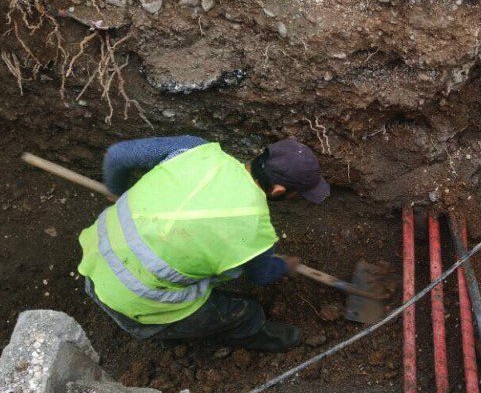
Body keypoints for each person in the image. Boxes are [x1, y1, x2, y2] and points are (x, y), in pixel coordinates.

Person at [78, 135, 331, 351]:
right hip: (135, 304)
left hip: (94, 257)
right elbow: (260, 277)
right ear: (278, 190)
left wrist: (118, 192)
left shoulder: (195, 149)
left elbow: (117, 155)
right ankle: (246, 336)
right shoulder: (255, 233)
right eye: (299, 193)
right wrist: (285, 266)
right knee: (245, 311)